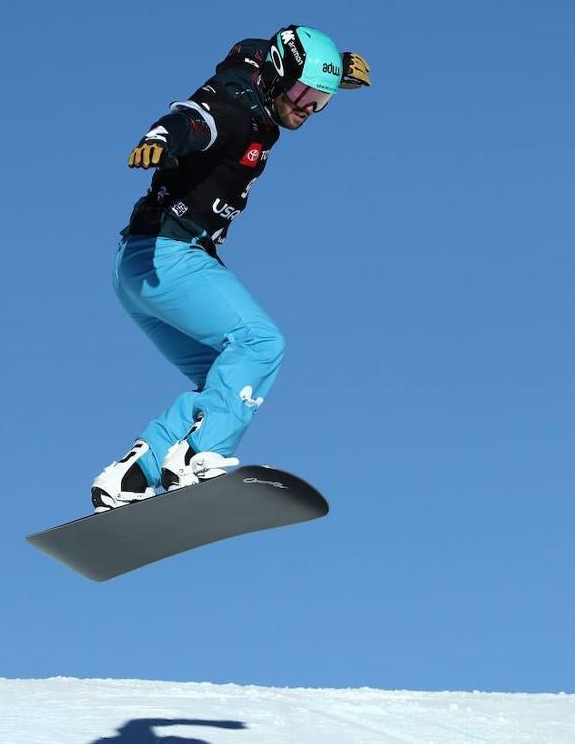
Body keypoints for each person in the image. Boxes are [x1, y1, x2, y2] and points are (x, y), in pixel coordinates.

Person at [90, 25, 371, 513]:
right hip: (169, 255)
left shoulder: (261, 71)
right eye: (303, 93)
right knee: (262, 344)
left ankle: (136, 472)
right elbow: (197, 119)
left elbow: (253, 49)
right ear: (279, 76)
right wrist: (163, 136)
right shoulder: (238, 110)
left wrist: (332, 69)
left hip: (138, 265)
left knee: (225, 380)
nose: (306, 108)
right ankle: (197, 457)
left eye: (320, 101)